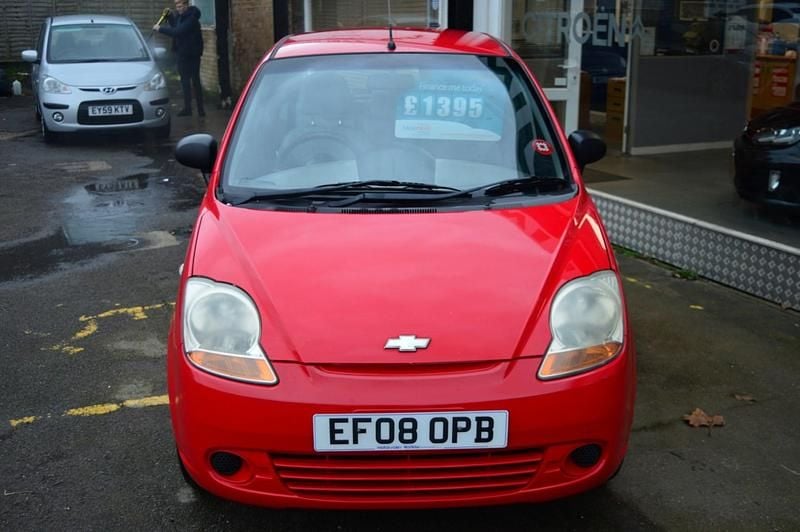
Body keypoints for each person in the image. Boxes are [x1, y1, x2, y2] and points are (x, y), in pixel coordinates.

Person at [154, 0, 205, 117]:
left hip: (192, 54)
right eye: (177, 6)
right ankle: (188, 108)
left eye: (181, 6)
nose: (179, 8)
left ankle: (201, 110)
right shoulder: (181, 16)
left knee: (195, 81)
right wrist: (170, 17)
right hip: (182, 53)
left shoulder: (192, 18)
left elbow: (178, 31)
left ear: (186, 5)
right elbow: (176, 25)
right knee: (184, 81)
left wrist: (160, 29)